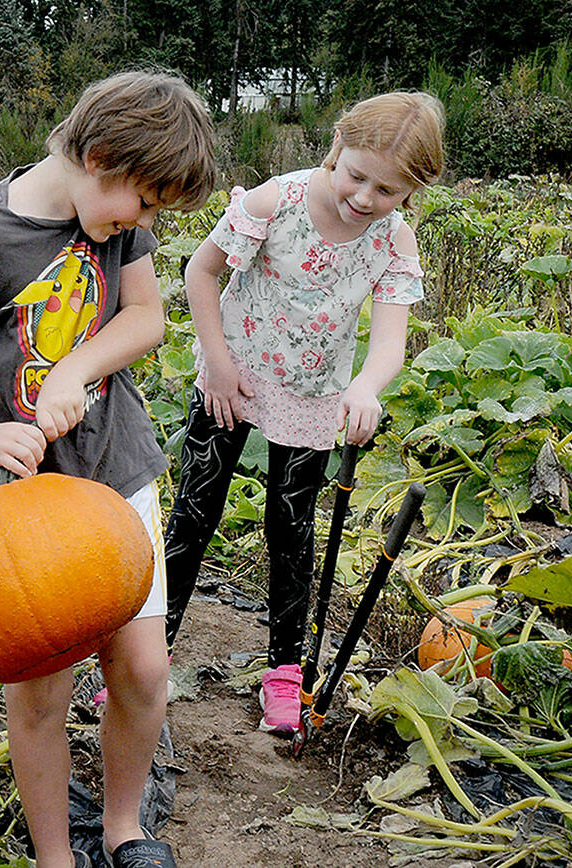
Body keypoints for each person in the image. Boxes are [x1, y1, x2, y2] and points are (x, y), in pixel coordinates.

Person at [0, 71, 217, 868]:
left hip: (117, 464)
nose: (149, 221)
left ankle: (126, 830)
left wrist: (76, 370)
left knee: (142, 666)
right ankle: (56, 856)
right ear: (99, 158)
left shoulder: (118, 218)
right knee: (42, 688)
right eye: (148, 204)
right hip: (25, 497)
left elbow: (145, 317)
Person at [162, 91, 445, 735]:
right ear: (335, 149)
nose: (367, 198)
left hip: (314, 393)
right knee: (194, 514)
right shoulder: (275, 202)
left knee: (290, 531)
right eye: (357, 175)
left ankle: (285, 676)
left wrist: (366, 388)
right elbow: (200, 273)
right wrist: (219, 360)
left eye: (390, 189)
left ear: (411, 192)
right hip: (231, 378)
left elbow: (390, 341)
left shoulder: (392, 242)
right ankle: (150, 655)